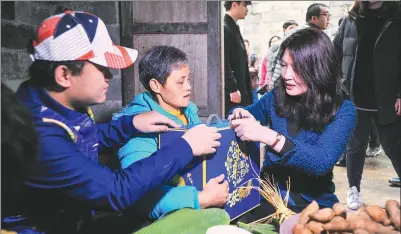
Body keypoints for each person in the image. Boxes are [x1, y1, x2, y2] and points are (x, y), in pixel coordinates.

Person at [11, 10, 228, 233]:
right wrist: (186, 146)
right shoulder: (39, 134)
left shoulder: (57, 104)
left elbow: (87, 138)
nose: (110, 76)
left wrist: (131, 124)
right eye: (101, 68)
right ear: (64, 75)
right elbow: (117, 191)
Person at [229, 28, 357, 223]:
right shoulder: (276, 98)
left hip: (314, 205)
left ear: (318, 68)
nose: (287, 75)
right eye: (284, 66)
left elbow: (321, 161)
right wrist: (239, 114)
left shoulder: (343, 111)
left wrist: (269, 136)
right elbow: (246, 114)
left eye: (296, 68)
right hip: (267, 198)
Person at [113, 46, 229, 220]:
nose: (188, 87)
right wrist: (201, 198)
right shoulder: (139, 126)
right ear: (156, 85)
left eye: (188, 79)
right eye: (180, 82)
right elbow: (139, 196)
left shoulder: (187, 112)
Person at [333, 1, 401, 209]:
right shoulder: (350, 19)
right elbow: (336, 53)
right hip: (355, 96)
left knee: (394, 146)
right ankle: (354, 189)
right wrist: (337, 88)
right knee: (355, 146)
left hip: (386, 97)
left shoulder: (396, 17)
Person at [267, 4, 331, 91]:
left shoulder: (315, 34)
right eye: (326, 15)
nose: (329, 19)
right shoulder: (302, 35)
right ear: (314, 18)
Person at [224, 1, 253, 117]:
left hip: (240, 87)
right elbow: (224, 62)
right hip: (233, 91)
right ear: (234, 4)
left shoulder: (234, 27)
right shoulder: (225, 27)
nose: (247, 10)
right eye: (245, 5)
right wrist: (233, 88)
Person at [244, 39, 260, 103]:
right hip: (244, 87)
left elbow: (256, 70)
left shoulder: (253, 56)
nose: (243, 47)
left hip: (252, 85)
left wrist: (245, 69)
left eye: (245, 45)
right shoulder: (240, 57)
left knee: (255, 103)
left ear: (248, 46)